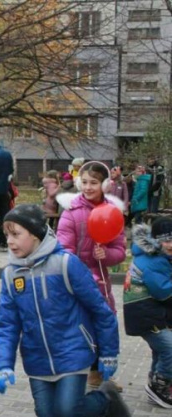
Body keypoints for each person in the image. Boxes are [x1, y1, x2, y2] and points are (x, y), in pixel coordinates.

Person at [0, 204, 131, 417]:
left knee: (67, 410)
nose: (10, 241)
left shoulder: (65, 264)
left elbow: (101, 311)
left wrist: (108, 353)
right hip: (37, 360)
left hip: (72, 352)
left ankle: (105, 401)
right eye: (7, 236)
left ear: (36, 234)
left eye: (16, 234)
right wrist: (3, 364)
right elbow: (7, 324)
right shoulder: (10, 276)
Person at [57, 162, 126, 390]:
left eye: (94, 183)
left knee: (104, 324)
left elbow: (120, 251)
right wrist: (76, 272)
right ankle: (73, 372)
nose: (88, 187)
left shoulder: (112, 213)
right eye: (84, 182)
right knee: (76, 325)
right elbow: (63, 248)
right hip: (75, 277)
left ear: (104, 184)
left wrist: (105, 255)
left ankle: (100, 372)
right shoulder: (71, 212)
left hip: (101, 281)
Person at [123, 218, 172, 408]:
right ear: (155, 241)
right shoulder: (152, 261)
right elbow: (164, 292)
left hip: (151, 312)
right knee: (169, 348)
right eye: (166, 240)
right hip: (145, 313)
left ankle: (156, 378)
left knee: (162, 349)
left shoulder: (160, 257)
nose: (170, 244)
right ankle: (160, 386)